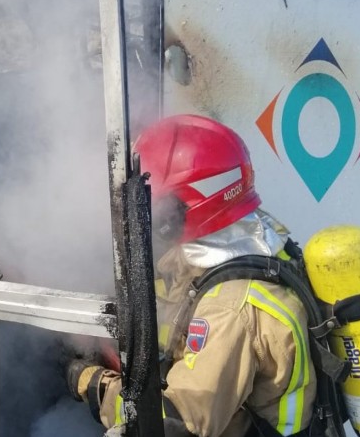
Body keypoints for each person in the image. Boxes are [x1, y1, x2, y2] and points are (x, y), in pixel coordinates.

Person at [66, 114, 318, 436]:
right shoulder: (259, 245)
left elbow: (169, 423)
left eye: (152, 203)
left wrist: (91, 383)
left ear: (174, 213)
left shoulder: (230, 310)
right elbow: (175, 305)